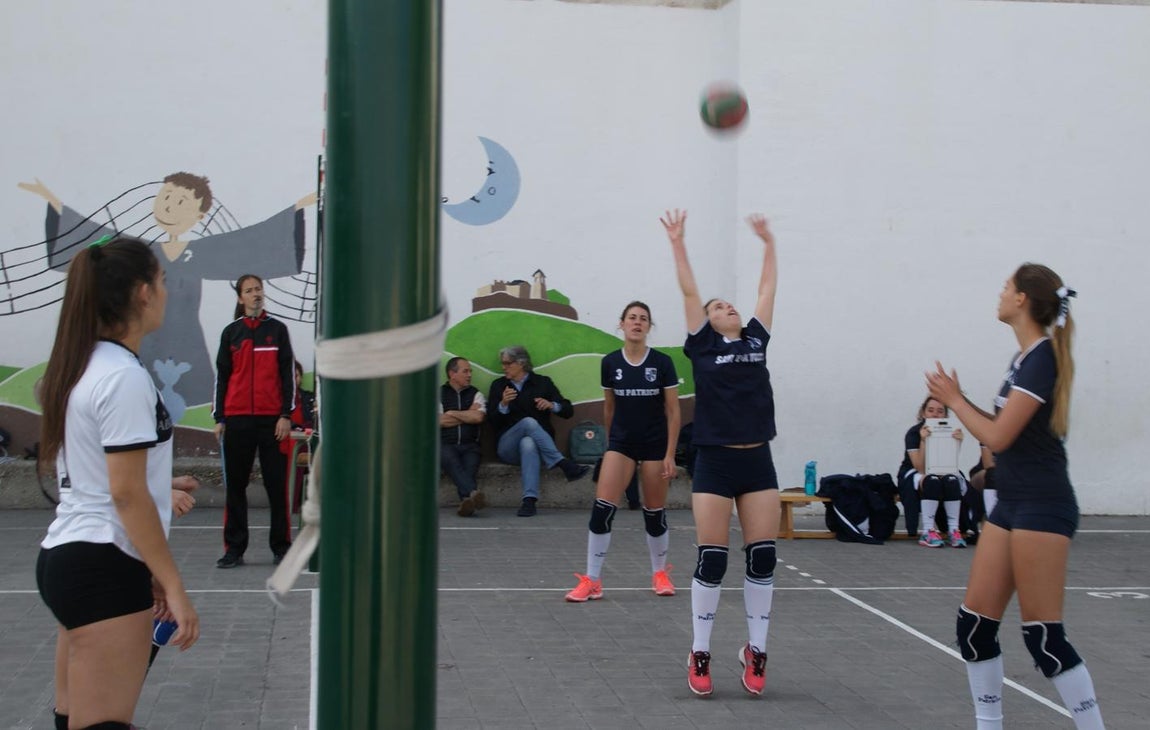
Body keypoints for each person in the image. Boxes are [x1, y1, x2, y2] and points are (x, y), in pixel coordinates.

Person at [926, 264, 1104, 729]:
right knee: (975, 628)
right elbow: (1000, 430)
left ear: (1023, 299)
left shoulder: (1043, 357)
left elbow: (1000, 438)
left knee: (1044, 637)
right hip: (1013, 503)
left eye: (1006, 287)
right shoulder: (1023, 359)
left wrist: (956, 401)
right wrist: (961, 399)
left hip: (1043, 506)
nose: (1000, 294)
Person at [35, 236, 200, 730]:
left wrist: (159, 490)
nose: (168, 293)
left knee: (75, 719)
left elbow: (105, 476)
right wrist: (173, 583)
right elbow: (124, 493)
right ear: (142, 293)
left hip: (72, 557)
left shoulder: (81, 364)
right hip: (102, 565)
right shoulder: (122, 375)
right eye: (163, 281)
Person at [661, 209, 780, 698]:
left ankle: (756, 650)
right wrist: (678, 242)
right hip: (714, 460)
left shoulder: (755, 339)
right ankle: (701, 650)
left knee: (763, 558)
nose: (727, 307)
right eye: (718, 307)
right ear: (706, 322)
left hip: (758, 462)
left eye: (729, 304)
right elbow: (691, 293)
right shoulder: (702, 346)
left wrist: (769, 243)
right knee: (713, 559)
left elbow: (767, 291)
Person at [566, 301, 681, 602]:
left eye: (644, 318)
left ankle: (660, 573)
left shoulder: (662, 363)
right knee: (602, 510)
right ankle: (592, 580)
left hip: (655, 445)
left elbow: (673, 411)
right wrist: (612, 445)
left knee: (654, 514)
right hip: (622, 444)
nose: (637, 322)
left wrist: (670, 454)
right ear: (622, 324)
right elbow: (609, 408)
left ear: (649, 327)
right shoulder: (610, 363)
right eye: (632, 318)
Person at [212, 274, 295, 568]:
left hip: (272, 421)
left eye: (258, 289)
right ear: (240, 298)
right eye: (249, 291)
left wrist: (286, 414)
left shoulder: (278, 330)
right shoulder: (231, 333)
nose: (256, 294)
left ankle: (281, 547)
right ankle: (234, 549)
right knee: (236, 487)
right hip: (236, 420)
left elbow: (288, 376)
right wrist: (220, 417)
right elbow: (222, 377)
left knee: (276, 486)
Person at [486, 345, 590, 517]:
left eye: (507, 363)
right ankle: (562, 463)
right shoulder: (499, 386)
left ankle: (529, 501)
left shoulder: (543, 383)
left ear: (521, 363)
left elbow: (567, 410)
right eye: (502, 363)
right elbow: (492, 421)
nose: (503, 367)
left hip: (538, 450)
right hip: (507, 447)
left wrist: (552, 405)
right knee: (528, 422)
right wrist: (503, 404)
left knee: (529, 443)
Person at [896, 396, 968, 547]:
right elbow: (920, 467)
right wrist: (923, 441)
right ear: (923, 413)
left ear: (946, 415)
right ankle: (928, 531)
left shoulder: (950, 429)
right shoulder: (914, 433)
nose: (935, 415)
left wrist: (958, 443)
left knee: (951, 480)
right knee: (932, 480)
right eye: (931, 410)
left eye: (940, 411)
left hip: (940, 469)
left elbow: (949, 463)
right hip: (915, 471)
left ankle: (954, 530)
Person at [440, 356, 487, 517]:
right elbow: (440, 422)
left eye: (470, 371)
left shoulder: (476, 394)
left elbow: (478, 418)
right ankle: (472, 495)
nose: (469, 375)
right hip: (445, 444)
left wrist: (452, 413)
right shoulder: (439, 394)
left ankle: (467, 501)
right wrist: (468, 414)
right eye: (465, 371)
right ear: (452, 374)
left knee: (469, 468)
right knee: (452, 462)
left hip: (471, 445)